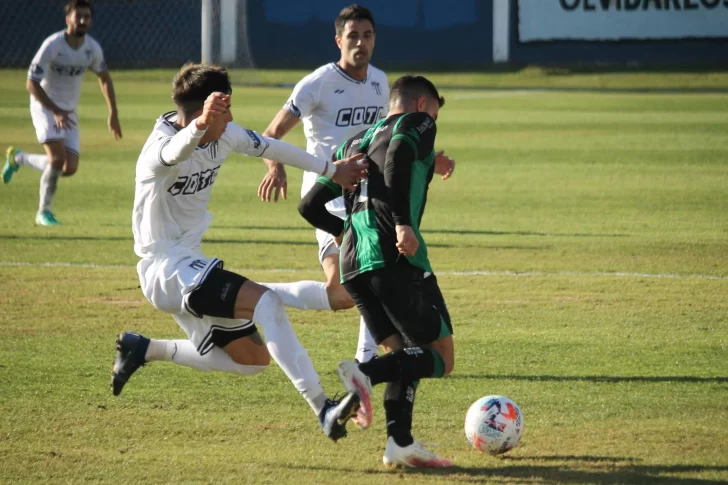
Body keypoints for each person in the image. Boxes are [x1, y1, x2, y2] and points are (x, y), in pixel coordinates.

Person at [111, 63, 372, 442]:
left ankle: (144, 348)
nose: (231, 118)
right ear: (206, 111)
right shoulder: (158, 150)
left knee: (253, 361)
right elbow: (175, 150)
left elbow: (272, 146)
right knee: (266, 302)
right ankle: (323, 408)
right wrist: (201, 124)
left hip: (189, 266)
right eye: (225, 111)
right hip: (166, 268)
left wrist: (331, 169)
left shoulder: (226, 135)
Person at [299, 75, 456, 466]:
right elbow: (400, 152)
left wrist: (342, 232)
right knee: (441, 356)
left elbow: (309, 206)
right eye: (435, 112)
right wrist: (402, 222)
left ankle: (399, 443)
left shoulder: (354, 142)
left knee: (405, 352)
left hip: (354, 263)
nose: (434, 124)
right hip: (394, 256)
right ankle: (365, 375)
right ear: (422, 105)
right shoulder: (416, 124)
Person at [256, 4, 388, 365]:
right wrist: (276, 166)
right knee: (360, 280)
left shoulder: (380, 81)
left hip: (364, 195)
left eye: (367, 35)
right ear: (338, 41)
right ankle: (366, 361)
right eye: (353, 36)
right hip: (325, 196)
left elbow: (384, 136)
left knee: (348, 290)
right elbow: (271, 133)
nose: (360, 43)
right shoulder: (318, 83)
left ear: (374, 39)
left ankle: (366, 359)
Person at [3, 0, 122, 226]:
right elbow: (31, 84)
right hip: (44, 107)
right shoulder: (53, 45)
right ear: (68, 19)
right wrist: (55, 110)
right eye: (79, 16)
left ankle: (19, 158)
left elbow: (104, 78)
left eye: (87, 17)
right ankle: (43, 212)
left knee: (68, 168)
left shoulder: (92, 48)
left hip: (67, 112)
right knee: (57, 159)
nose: (83, 21)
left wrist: (113, 113)